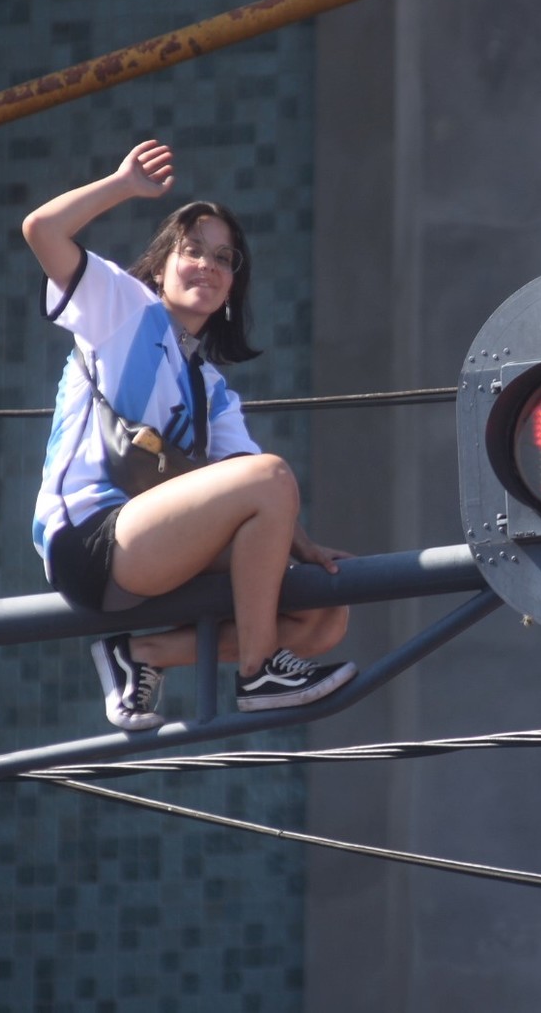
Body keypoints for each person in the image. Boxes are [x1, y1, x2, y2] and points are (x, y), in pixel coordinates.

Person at [25, 140, 356, 731]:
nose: (208, 265)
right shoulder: (122, 305)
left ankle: (142, 653)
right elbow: (41, 229)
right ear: (160, 267)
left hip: (155, 552)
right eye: (193, 250)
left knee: (324, 611)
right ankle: (259, 674)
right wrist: (123, 185)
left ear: (231, 288)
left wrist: (305, 548)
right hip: (89, 541)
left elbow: (257, 495)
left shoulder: (211, 387)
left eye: (224, 259)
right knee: (270, 475)